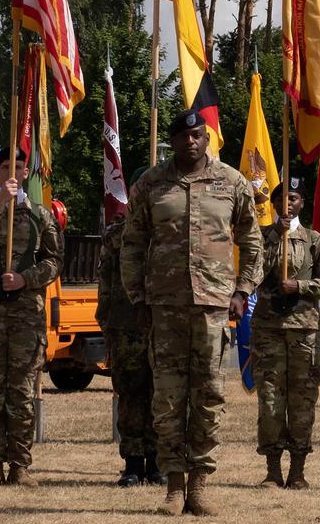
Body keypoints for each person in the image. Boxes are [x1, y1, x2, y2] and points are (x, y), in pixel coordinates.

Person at [121, 109, 263, 516]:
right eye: (183, 137)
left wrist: (242, 291)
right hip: (164, 307)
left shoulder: (231, 182)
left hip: (213, 307)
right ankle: (174, 485)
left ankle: (200, 483)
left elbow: (252, 242)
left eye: (197, 135)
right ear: (173, 140)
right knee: (167, 398)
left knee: (209, 395)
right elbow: (131, 245)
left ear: (207, 138)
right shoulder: (150, 184)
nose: (191, 142)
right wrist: (137, 298)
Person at [0, 147, 63, 489]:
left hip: (25, 316)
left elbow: (53, 262)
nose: (12, 172)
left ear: (26, 174)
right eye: (6, 167)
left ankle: (20, 465)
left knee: (21, 392)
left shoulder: (41, 215)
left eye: (19, 167)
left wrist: (25, 279)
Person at [250, 177, 320, 490]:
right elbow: (254, 273)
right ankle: (272, 470)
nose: (288, 203)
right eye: (282, 198)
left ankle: (297, 470)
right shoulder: (262, 236)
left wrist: (300, 285)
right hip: (269, 329)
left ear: (302, 203)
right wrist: (277, 234)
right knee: (270, 401)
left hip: (304, 330)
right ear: (274, 203)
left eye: (294, 198)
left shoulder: (315, 240)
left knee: (302, 402)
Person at [96, 167, 165, 488]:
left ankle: (159, 463)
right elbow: (106, 284)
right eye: (140, 187)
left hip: (164, 326)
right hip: (125, 327)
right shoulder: (116, 234)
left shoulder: (169, 228)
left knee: (163, 396)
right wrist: (106, 323)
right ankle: (133, 464)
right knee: (130, 396)